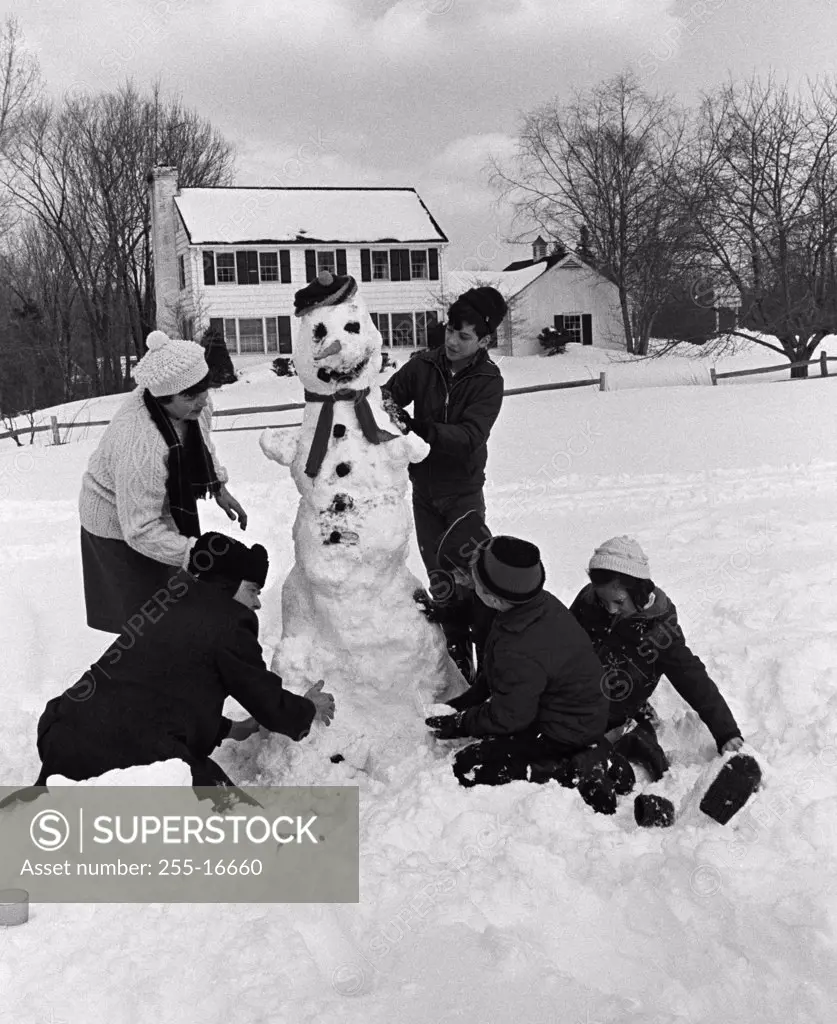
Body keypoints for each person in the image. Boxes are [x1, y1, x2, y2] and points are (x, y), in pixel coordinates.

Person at [32, 532, 335, 789]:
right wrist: (307, 710)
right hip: (117, 753)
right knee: (238, 825)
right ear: (228, 583)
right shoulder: (229, 622)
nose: (257, 603)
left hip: (62, 733)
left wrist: (228, 730)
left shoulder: (168, 605)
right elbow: (260, 693)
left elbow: (158, 690)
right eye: (252, 589)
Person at [424, 535, 633, 814]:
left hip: (562, 730)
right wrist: (462, 705)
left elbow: (510, 716)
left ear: (493, 598)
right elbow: (496, 674)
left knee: (469, 766)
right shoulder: (534, 606)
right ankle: (593, 751)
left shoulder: (520, 647)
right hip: (575, 713)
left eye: (475, 580)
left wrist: (462, 724)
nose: (469, 582)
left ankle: (571, 770)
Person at [78, 329, 248, 634]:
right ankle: (139, 673)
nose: (202, 401)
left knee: (176, 603)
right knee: (144, 618)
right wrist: (193, 554)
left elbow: (201, 442)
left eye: (204, 389)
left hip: (154, 508)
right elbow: (140, 529)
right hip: (115, 523)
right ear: (162, 397)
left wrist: (218, 486)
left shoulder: (192, 405)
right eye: (190, 396)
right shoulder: (140, 442)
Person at [569, 535, 744, 784]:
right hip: (581, 698)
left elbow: (692, 678)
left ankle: (637, 739)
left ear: (639, 593)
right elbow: (563, 641)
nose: (610, 609)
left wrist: (726, 731)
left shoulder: (660, 631)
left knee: (595, 756)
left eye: (618, 602)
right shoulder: (588, 601)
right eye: (603, 600)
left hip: (619, 705)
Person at [382, 286, 507, 590]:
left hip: (462, 492)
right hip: (423, 491)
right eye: (451, 330)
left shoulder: (488, 381)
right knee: (440, 579)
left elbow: (470, 436)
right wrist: (396, 419)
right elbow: (385, 396)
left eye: (464, 337)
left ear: (484, 341)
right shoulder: (425, 365)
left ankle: (490, 634)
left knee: (477, 577)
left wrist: (424, 430)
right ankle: (452, 637)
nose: (451, 341)